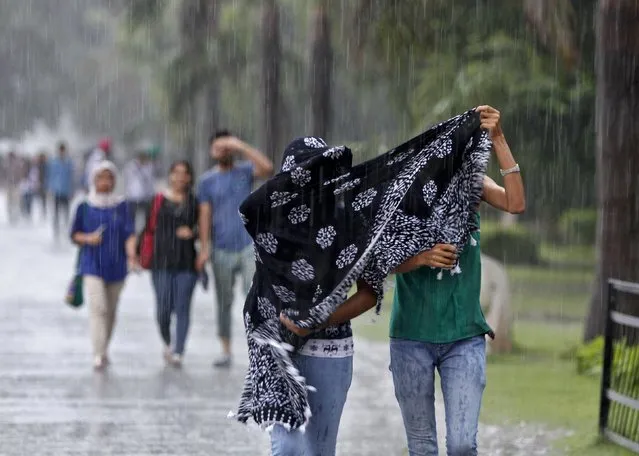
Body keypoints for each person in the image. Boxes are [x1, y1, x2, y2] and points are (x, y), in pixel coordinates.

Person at [389, 105, 525, 456]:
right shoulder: (406, 192)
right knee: (421, 447)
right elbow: (382, 260)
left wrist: (498, 138)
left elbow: (515, 203)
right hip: (411, 337)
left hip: (464, 337)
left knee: (463, 445)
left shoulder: (474, 186)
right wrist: (421, 258)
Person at [198, 130, 273, 368]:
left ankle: (262, 345)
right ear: (212, 151)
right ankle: (226, 350)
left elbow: (267, 168)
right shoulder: (207, 181)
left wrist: (240, 145)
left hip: (248, 243)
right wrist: (204, 247)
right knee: (224, 300)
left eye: (227, 147)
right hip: (221, 248)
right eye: (219, 147)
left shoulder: (244, 171)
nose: (224, 151)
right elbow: (205, 215)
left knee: (255, 295)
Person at [70, 160, 137, 370]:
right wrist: (88, 239)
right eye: (101, 178)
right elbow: (74, 234)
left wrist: (131, 255)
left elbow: (129, 233)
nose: (105, 182)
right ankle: (97, 353)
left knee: (110, 310)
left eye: (109, 178)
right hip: (92, 265)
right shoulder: (84, 206)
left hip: (117, 266)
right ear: (93, 179)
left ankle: (104, 347)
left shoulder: (122, 206)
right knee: (98, 308)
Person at [146, 160, 204, 367]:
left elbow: (205, 229)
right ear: (170, 175)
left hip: (186, 262)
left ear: (189, 177)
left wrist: (193, 233)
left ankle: (179, 351)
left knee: (182, 308)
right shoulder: (158, 200)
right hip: (160, 262)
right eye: (176, 172)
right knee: (163, 310)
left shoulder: (195, 202)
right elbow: (147, 229)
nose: (180, 177)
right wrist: (136, 255)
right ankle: (168, 341)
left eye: (184, 173)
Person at [124, 148, 155, 230]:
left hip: (146, 197)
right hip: (133, 197)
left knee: (147, 219)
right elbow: (128, 179)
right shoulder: (131, 166)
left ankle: (145, 235)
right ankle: (132, 234)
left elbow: (148, 179)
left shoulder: (149, 166)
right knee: (131, 219)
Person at [48, 142, 75, 237]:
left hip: (66, 191)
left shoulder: (69, 163)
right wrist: (50, 188)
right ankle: (56, 232)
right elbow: (50, 176)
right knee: (56, 212)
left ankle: (66, 230)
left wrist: (72, 190)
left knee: (66, 212)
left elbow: (72, 177)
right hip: (56, 191)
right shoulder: (54, 162)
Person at [4, 151, 24, 224]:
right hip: (9, 185)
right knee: (9, 201)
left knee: (16, 201)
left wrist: (20, 181)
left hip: (16, 185)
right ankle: (10, 215)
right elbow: (3, 174)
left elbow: (21, 173)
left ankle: (15, 214)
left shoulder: (18, 164)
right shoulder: (5, 164)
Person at [35, 152, 48, 218]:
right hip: (40, 184)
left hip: (44, 184)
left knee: (44, 199)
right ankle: (41, 211)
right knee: (39, 198)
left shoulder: (46, 165)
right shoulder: (38, 165)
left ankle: (43, 211)